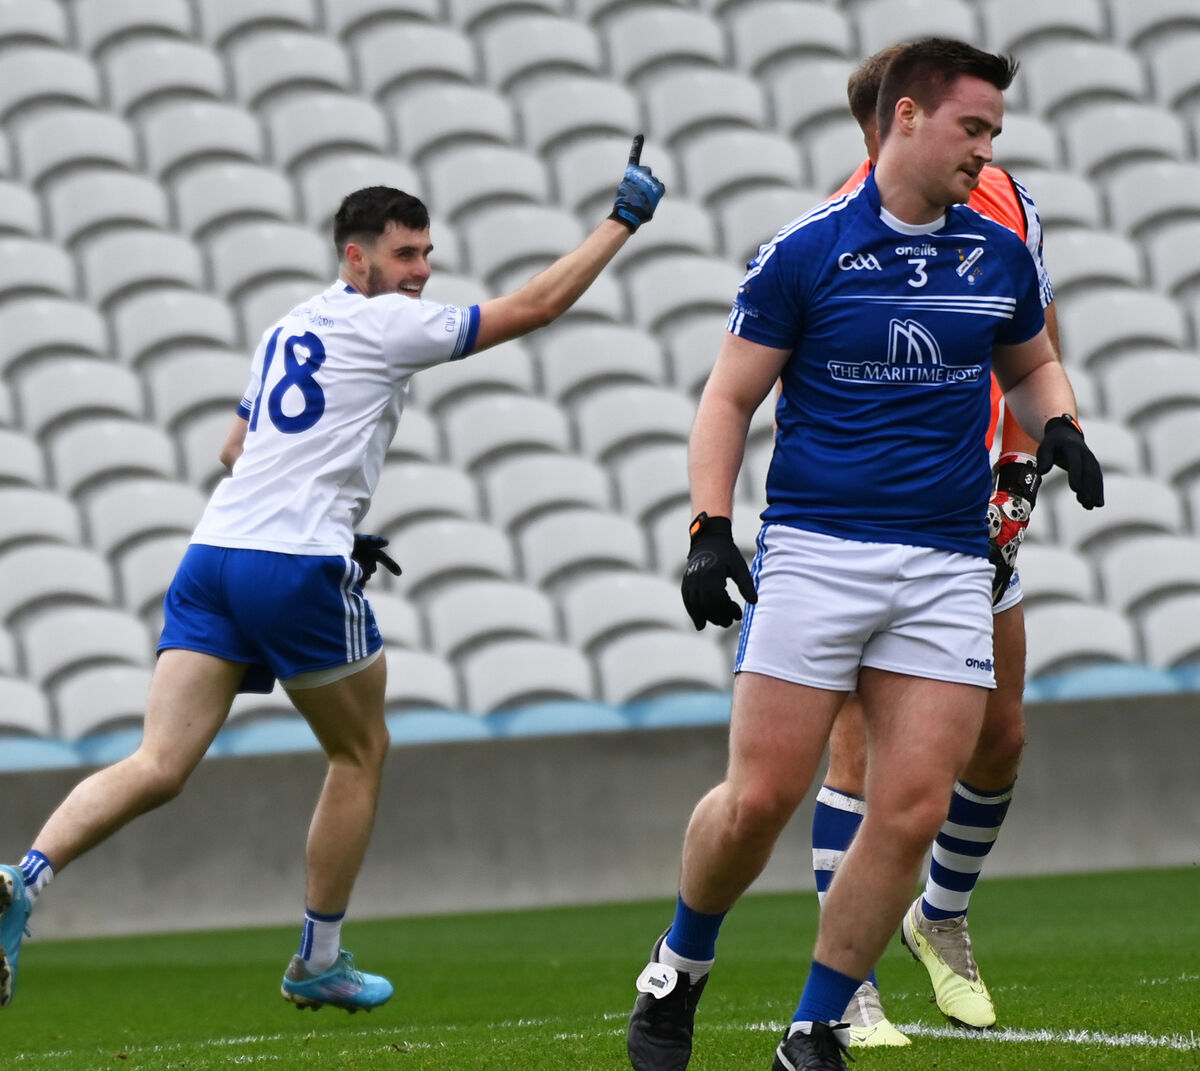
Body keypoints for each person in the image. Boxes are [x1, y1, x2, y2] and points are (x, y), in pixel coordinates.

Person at [0, 137, 664, 1013]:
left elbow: (235, 448)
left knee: (158, 761)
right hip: (291, 566)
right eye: (405, 253)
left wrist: (317, 511)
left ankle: (24, 877)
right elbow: (535, 307)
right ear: (356, 257)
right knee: (361, 749)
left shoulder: (286, 325)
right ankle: (319, 956)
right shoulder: (386, 321)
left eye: (427, 253)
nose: (422, 270)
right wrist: (621, 220)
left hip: (212, 556)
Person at [625, 39, 1102, 1071]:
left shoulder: (997, 252)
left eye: (995, 131)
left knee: (913, 805)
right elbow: (728, 399)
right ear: (908, 120)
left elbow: (1033, 359)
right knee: (758, 800)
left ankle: (816, 1025)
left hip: (944, 565)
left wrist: (1055, 425)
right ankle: (678, 965)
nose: (989, 150)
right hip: (817, 554)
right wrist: (710, 529)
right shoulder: (806, 250)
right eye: (973, 128)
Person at [810, 44, 1061, 1046]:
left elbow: (1031, 340)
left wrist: (1017, 465)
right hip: (869, 522)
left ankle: (941, 915)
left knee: (999, 738)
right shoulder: (836, 230)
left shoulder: (1010, 210)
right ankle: (850, 978)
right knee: (861, 747)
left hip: (972, 509)